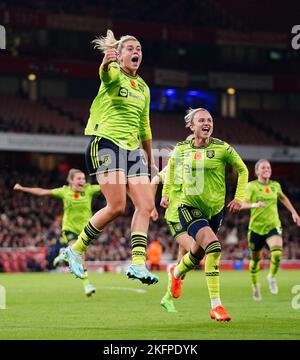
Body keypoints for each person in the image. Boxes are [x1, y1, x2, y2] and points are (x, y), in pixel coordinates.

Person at [63, 29, 158, 285]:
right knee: (117, 207)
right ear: (120, 54)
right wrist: (106, 62)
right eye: (130, 48)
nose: (136, 52)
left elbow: (144, 126)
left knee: (147, 206)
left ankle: (138, 264)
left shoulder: (144, 88)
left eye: (139, 48)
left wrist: (150, 162)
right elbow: (106, 74)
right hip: (106, 143)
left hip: (131, 149)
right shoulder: (115, 73)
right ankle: (75, 249)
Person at [161, 107, 249, 321]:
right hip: (188, 207)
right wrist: (165, 194)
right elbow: (171, 171)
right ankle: (216, 306)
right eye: (201, 120)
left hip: (215, 210)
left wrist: (239, 197)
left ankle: (176, 272)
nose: (206, 123)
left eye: (209, 119)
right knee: (214, 247)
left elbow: (243, 169)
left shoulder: (222, 148)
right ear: (191, 126)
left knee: (195, 257)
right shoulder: (181, 149)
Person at [13, 168, 101, 296]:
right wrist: (23, 188)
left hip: (86, 230)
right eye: (79, 179)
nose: (82, 181)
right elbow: (42, 192)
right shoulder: (64, 191)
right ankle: (86, 284)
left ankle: (64, 254)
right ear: (71, 181)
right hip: (69, 228)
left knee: (78, 253)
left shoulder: (89, 190)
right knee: (80, 255)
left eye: (83, 178)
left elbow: (109, 188)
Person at [151, 136, 201, 313]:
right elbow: (155, 180)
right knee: (197, 251)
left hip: (192, 217)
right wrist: (151, 206)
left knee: (184, 264)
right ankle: (173, 273)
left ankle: (168, 298)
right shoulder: (174, 165)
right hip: (176, 217)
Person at [240, 159, 300, 301]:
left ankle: (271, 277)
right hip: (256, 228)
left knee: (278, 253)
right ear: (257, 171)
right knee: (255, 261)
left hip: (273, 226)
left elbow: (283, 198)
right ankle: (255, 286)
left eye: (268, 167)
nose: (267, 169)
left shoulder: (275, 186)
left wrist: (294, 212)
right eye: (263, 168)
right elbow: (242, 205)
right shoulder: (251, 187)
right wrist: (255, 204)